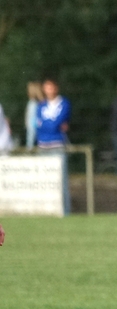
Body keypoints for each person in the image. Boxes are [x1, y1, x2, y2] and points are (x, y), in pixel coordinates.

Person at [37, 78, 71, 214]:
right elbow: (38, 125)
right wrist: (52, 124)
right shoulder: (41, 105)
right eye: (46, 87)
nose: (49, 90)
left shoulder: (64, 103)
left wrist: (48, 124)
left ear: (56, 88)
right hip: (43, 145)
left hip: (57, 144)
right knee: (43, 180)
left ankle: (65, 211)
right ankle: (45, 210)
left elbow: (54, 123)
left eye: (51, 87)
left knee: (61, 179)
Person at [25, 82, 42, 150]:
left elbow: (33, 120)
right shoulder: (35, 103)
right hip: (33, 126)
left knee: (31, 140)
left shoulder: (33, 104)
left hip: (33, 127)